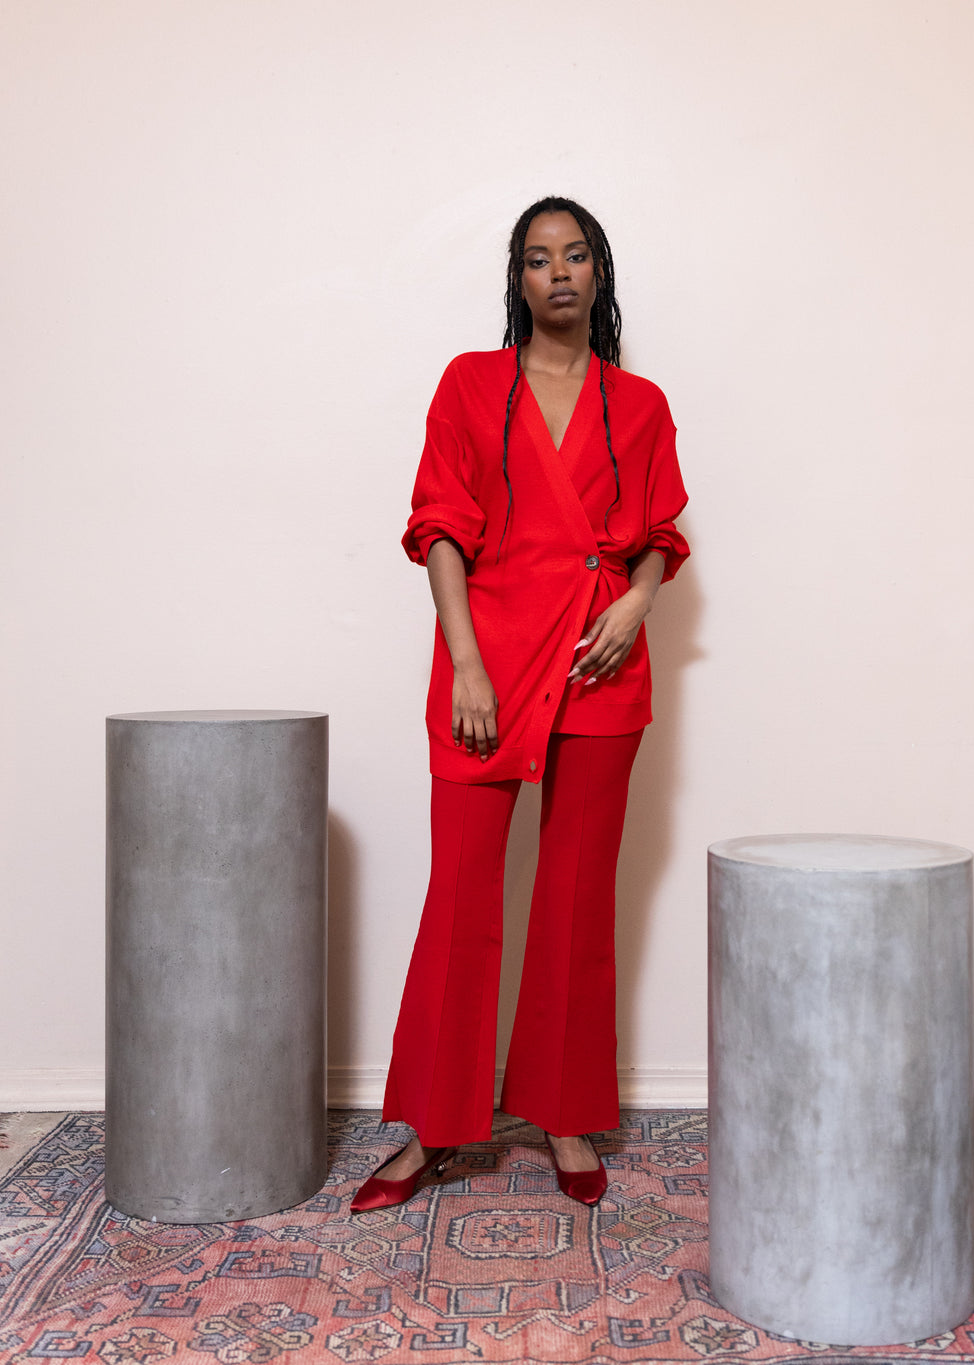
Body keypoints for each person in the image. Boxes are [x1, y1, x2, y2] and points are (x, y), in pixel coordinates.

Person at [351, 196, 689, 1213]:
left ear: (599, 272)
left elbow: (659, 534)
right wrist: (465, 663)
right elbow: (439, 527)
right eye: (539, 258)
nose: (559, 272)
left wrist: (635, 600)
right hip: (487, 663)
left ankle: (563, 1111)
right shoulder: (470, 384)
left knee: (578, 895)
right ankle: (433, 1127)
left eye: (575, 255)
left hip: (598, 663)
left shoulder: (640, 404)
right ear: (519, 278)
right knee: (460, 895)